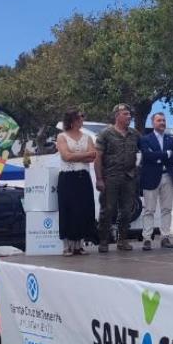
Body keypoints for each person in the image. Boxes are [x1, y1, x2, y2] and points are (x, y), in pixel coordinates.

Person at [95, 103, 141, 252]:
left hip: (129, 177)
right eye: (125, 114)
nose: (129, 117)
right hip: (110, 177)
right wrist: (99, 179)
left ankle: (122, 240)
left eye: (129, 114)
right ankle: (103, 241)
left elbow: (146, 149)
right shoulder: (105, 134)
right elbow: (98, 157)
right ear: (117, 116)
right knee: (107, 210)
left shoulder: (134, 134)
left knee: (127, 210)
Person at [56, 109, 97, 255]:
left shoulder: (87, 137)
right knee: (68, 209)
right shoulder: (62, 136)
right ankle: (67, 245)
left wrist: (76, 155)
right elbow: (66, 156)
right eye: (80, 118)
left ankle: (79, 244)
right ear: (72, 120)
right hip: (68, 177)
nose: (82, 120)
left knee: (83, 209)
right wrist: (84, 155)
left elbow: (93, 156)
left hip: (83, 176)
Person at [138, 112, 173, 250]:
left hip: (167, 176)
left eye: (163, 120)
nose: (162, 122)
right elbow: (148, 155)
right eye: (159, 120)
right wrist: (165, 154)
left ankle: (165, 237)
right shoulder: (145, 139)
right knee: (149, 209)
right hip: (150, 176)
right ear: (153, 123)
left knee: (167, 208)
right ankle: (147, 238)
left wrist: (159, 156)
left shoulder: (171, 140)